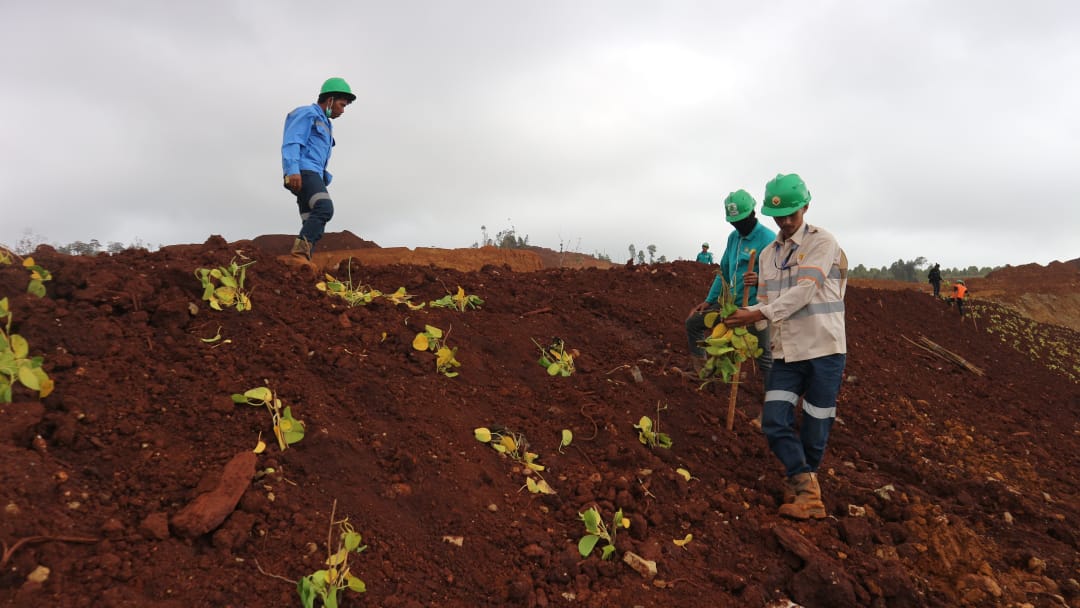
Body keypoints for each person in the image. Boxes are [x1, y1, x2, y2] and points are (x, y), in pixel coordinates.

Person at [724, 173, 847, 520]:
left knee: (815, 425)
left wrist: (755, 314)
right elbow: (765, 302)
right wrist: (744, 331)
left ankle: (804, 490)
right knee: (774, 421)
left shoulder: (822, 242)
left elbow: (805, 290)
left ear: (806, 206)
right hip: (786, 352)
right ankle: (805, 485)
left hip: (824, 348)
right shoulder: (767, 255)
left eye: (792, 213)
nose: (786, 221)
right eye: (779, 215)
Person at [686, 190, 774, 382]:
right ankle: (703, 373)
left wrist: (759, 280)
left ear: (752, 213)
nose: (738, 226)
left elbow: (779, 278)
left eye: (741, 221)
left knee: (764, 356)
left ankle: (773, 398)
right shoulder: (733, 238)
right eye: (734, 222)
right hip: (730, 306)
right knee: (693, 323)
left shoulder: (769, 239)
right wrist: (709, 300)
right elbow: (724, 272)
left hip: (755, 308)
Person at [281, 77, 357, 262]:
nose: (343, 110)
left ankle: (302, 262)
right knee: (324, 208)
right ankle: (299, 254)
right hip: (303, 171)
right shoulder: (307, 113)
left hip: (314, 174)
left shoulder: (326, 124)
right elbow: (292, 140)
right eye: (341, 105)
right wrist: (292, 170)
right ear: (330, 100)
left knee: (310, 219)